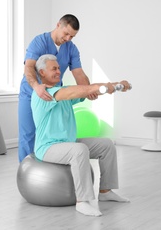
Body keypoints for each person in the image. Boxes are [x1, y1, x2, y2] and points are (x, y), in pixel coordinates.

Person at [31, 54, 131, 217]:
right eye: (54, 69)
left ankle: (105, 191)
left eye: (58, 68)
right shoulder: (43, 94)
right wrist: (98, 87)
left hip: (68, 142)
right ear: (42, 72)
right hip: (48, 147)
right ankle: (82, 201)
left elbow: (82, 91)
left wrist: (115, 85)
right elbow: (74, 91)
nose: (58, 71)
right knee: (79, 150)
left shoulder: (63, 92)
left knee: (106, 145)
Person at [18, 14, 97, 162]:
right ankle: (26, 171)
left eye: (72, 36)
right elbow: (28, 67)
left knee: (56, 135)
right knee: (28, 134)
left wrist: (88, 90)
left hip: (54, 96)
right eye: (66, 34)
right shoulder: (39, 42)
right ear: (58, 25)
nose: (68, 39)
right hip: (31, 92)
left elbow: (79, 73)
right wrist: (37, 87)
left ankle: (52, 174)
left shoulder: (71, 49)